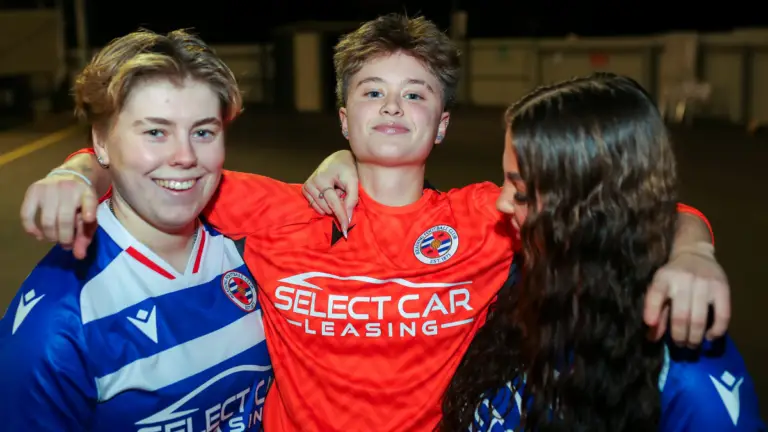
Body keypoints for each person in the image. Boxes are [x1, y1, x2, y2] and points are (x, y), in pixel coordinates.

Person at [20, 15, 730, 432]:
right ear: (344, 116)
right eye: (372, 91)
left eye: (415, 92)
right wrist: (74, 172)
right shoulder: (274, 207)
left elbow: (629, 204)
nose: (393, 106)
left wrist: (693, 252)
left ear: (443, 123)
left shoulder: (491, 215)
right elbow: (156, 160)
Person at [440, 73, 764, 431]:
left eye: (520, 192)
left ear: (589, 205)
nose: (500, 204)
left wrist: (695, 251)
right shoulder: (533, 266)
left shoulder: (686, 374)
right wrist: (694, 246)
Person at [0, 29, 272, 431]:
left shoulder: (258, 246)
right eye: (155, 132)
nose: (185, 157)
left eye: (203, 132)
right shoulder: (61, 320)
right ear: (102, 143)